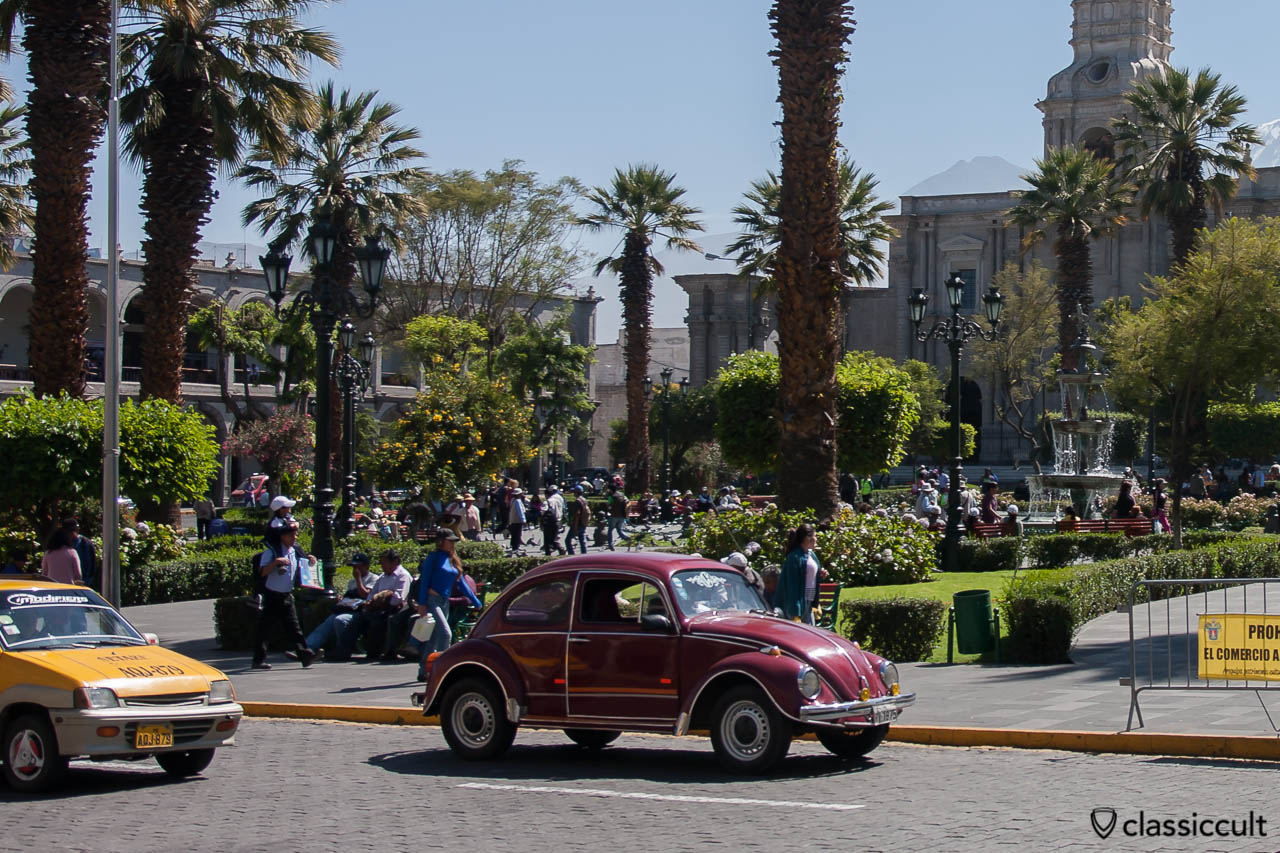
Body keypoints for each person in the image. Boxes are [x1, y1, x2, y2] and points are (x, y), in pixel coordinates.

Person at [416, 529, 483, 681]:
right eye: (450, 540)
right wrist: (422, 604)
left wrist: (476, 602)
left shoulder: (452, 559)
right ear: (441, 542)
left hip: (444, 602)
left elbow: (462, 583)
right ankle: (444, 670)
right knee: (446, 634)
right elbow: (424, 580)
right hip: (432, 601)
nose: (452, 543)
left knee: (434, 638)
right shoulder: (433, 558)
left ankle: (423, 670)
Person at [251, 526, 315, 670]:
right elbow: (262, 572)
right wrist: (275, 563)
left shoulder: (294, 551)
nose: (295, 538)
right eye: (291, 536)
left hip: (286, 594)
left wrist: (310, 560)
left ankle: (305, 655)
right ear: (283, 537)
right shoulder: (271, 552)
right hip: (272, 594)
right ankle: (258, 660)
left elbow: (301, 566)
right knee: (265, 629)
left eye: (296, 535)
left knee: (294, 627)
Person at [341, 549, 412, 661]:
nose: (382, 566)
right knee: (356, 620)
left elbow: (398, 599)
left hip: (394, 609)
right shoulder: (382, 577)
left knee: (377, 622)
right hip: (377, 608)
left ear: (394, 562)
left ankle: (378, 652)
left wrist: (382, 599)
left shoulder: (403, 576)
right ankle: (344, 652)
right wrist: (371, 601)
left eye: (385, 563)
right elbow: (371, 595)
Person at [303, 554, 376, 660]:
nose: (356, 570)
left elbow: (366, 595)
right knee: (326, 624)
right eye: (354, 567)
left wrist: (358, 580)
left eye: (358, 567)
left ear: (366, 566)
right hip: (348, 609)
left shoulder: (373, 578)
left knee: (340, 620)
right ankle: (307, 648)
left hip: (361, 611)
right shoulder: (352, 582)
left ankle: (343, 649)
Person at [777, 524, 820, 624]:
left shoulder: (810, 554)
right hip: (799, 603)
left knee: (811, 633)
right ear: (808, 538)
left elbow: (809, 572)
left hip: (809, 601)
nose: (816, 539)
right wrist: (795, 610)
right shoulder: (795, 557)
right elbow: (792, 584)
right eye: (815, 536)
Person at [62, 518, 97, 591]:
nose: (73, 533)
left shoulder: (85, 543)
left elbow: (92, 565)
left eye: (75, 529)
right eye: (70, 530)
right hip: (64, 585)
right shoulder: (60, 545)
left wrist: (86, 582)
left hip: (84, 583)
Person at [565, 485, 590, 554]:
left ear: (576, 492)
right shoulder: (584, 500)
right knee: (582, 540)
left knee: (568, 540)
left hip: (578, 523)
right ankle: (584, 554)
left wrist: (575, 526)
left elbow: (577, 514)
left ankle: (571, 554)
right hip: (583, 522)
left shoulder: (577, 501)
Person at [540, 486, 564, 556]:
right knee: (553, 537)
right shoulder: (560, 498)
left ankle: (554, 551)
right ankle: (559, 549)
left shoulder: (548, 501)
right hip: (558, 520)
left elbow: (543, 511)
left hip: (549, 522)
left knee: (547, 539)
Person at [606, 486, 629, 550]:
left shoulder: (611, 496)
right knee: (619, 530)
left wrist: (608, 508)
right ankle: (627, 538)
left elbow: (609, 506)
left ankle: (610, 544)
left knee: (610, 530)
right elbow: (627, 501)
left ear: (611, 490)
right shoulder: (622, 495)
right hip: (622, 515)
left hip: (614, 515)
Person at [507, 487, 527, 551]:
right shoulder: (518, 501)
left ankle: (514, 546)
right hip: (517, 520)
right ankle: (516, 547)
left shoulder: (512, 500)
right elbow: (520, 511)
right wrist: (523, 520)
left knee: (514, 534)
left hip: (512, 520)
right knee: (517, 534)